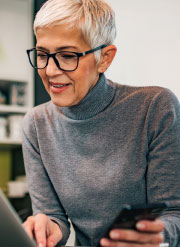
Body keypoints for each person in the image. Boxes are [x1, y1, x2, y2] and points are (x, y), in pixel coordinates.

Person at [22, 0, 180, 247]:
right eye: (42, 54)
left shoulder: (154, 107)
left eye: (67, 56)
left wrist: (157, 235)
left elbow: (174, 213)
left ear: (104, 58)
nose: (50, 71)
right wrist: (46, 227)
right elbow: (55, 219)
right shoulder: (36, 124)